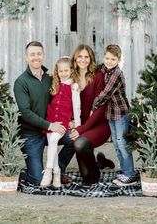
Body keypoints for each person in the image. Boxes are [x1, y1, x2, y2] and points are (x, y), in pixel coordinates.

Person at [13, 41, 66, 185]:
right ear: (26, 57)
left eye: (39, 54)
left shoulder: (50, 79)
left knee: (75, 140)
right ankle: (25, 172)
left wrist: (70, 120)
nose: (36, 57)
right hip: (31, 133)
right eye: (32, 54)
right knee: (37, 179)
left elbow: (62, 102)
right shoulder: (21, 82)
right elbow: (26, 113)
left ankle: (59, 170)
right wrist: (50, 125)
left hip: (51, 129)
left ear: (43, 55)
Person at [91, 44, 137, 186]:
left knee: (122, 143)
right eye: (107, 58)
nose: (109, 61)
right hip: (110, 114)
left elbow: (106, 94)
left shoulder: (116, 74)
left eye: (113, 59)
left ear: (118, 59)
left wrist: (93, 107)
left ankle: (130, 174)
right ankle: (124, 171)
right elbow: (98, 68)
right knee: (116, 144)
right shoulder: (106, 68)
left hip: (120, 113)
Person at [69, 44, 114, 185]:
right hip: (81, 125)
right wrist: (69, 120)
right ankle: (100, 162)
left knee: (80, 143)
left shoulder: (98, 76)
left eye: (86, 56)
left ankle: (97, 173)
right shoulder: (71, 78)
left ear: (91, 58)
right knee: (85, 176)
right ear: (75, 59)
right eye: (80, 56)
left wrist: (80, 130)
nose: (83, 60)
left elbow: (100, 108)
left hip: (99, 124)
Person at [40, 56, 81, 188]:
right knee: (53, 143)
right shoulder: (54, 83)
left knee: (53, 141)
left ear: (71, 71)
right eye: (60, 71)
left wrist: (77, 126)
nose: (63, 73)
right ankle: (57, 173)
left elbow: (76, 107)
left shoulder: (74, 86)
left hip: (63, 121)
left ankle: (48, 171)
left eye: (66, 71)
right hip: (51, 120)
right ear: (57, 72)